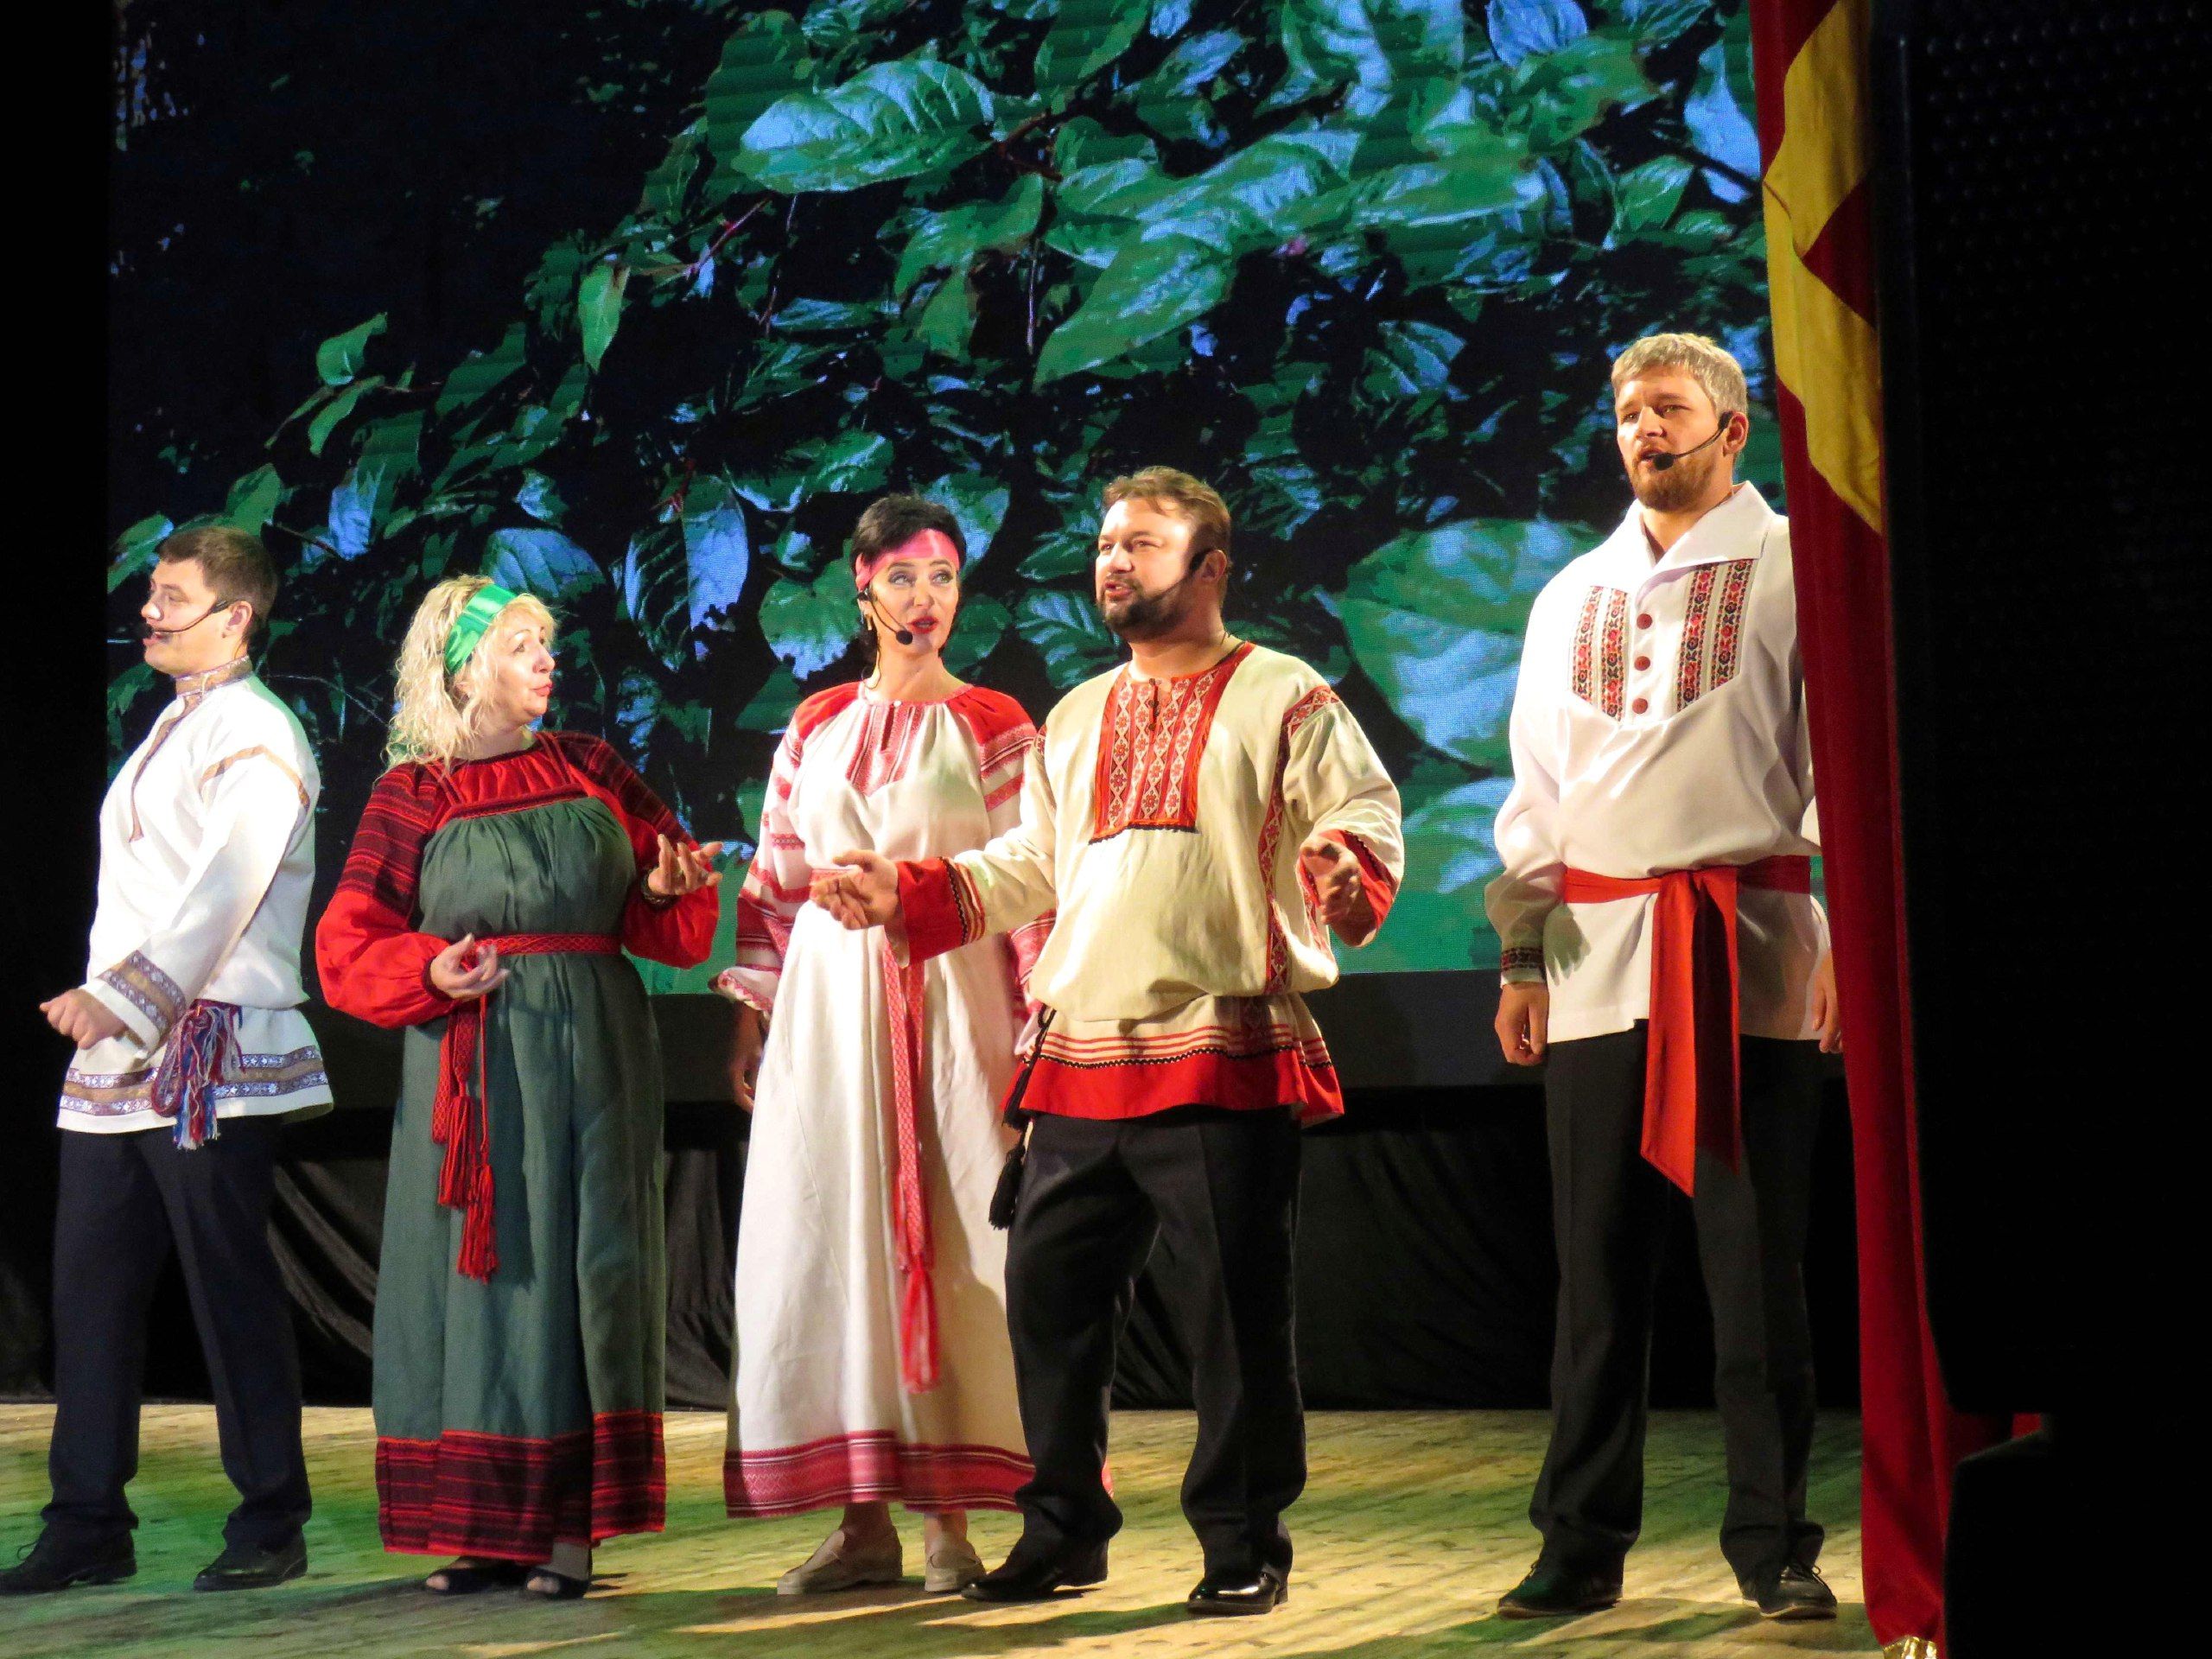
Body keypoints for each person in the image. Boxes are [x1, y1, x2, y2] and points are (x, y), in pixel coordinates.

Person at [814, 467, 1402, 1618]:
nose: (1113, 562)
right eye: (1104, 544)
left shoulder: (1283, 692)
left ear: (1210, 568)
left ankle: (1241, 1545)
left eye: (1141, 543)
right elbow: (1032, 866)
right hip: (1080, 1056)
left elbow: (1362, 809)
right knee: (1049, 1307)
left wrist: (1342, 861)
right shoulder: (1078, 714)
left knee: (1233, 1318)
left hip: (1218, 1044)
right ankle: (1063, 1532)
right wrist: (910, 889)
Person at [1484, 333, 1843, 1622]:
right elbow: (1538, 791)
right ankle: (1578, 1545)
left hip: (1748, 950)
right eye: (1629, 409)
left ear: (1731, 429)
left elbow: (1843, 761)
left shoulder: (1795, 565)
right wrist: (1522, 951)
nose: (1643, 427)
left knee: (1754, 1275)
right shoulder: (1570, 591)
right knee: (1595, 1274)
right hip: (1594, 959)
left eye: (1669, 407)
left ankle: (1774, 1545)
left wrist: (1854, 947)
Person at [315, 575, 720, 1599]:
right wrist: (431, 969)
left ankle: (571, 1525)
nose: (547, 659)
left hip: (598, 1054)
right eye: (521, 644)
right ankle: (484, 1526)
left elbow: (670, 913)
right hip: (477, 1059)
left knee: (591, 1265)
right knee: (479, 1279)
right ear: (462, 670)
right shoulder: (414, 793)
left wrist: (664, 887)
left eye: (546, 642)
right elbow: (347, 943)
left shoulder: (591, 767)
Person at [715, 494, 1046, 1596]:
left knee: (949, 1233)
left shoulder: (993, 722)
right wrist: (752, 1011)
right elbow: (774, 879)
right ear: (861, 589)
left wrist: (1040, 1027)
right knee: (835, 1234)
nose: (924, 598)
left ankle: (949, 1520)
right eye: (902, 576)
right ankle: (862, 1523)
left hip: (952, 999)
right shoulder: (815, 722)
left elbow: (1035, 881)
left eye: (942, 576)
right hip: (828, 1009)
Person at [4, 526, 328, 1597]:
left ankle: (271, 1514)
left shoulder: (259, 730)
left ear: (236, 617)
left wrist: (123, 995)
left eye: (173, 597)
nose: (149, 611)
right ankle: (87, 1519)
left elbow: (229, 886)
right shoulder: (175, 724)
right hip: (124, 1062)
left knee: (229, 1288)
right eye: (152, 592)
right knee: (90, 1292)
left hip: (207, 1051)